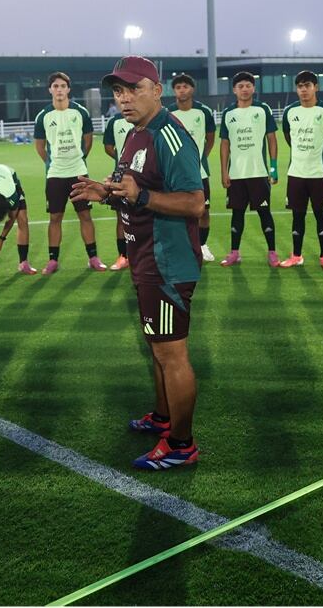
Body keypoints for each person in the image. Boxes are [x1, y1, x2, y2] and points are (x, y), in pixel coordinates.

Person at [70, 56, 204, 470]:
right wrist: (106, 193)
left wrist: (141, 197)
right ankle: (163, 417)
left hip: (167, 264)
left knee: (171, 353)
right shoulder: (133, 134)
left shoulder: (170, 136)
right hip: (144, 256)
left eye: (134, 89)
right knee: (156, 346)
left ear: (157, 90)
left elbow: (194, 203)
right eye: (118, 91)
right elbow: (131, 190)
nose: (124, 99)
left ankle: (181, 444)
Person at [33, 72, 105, 274]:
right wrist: (52, 163)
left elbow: (88, 139)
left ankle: (93, 258)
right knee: (55, 217)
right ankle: (53, 260)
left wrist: (79, 159)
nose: (59, 90)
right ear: (50, 89)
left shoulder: (80, 112)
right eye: (55, 86)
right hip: (55, 175)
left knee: (85, 215)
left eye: (63, 86)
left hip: (78, 172)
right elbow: (39, 146)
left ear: (68, 89)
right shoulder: (43, 116)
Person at [279, 71, 323, 269]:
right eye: (300, 86)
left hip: (318, 173)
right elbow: (288, 137)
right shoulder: (290, 112)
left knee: (321, 215)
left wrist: (320, 153)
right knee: (297, 216)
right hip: (296, 173)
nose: (304, 90)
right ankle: (296, 255)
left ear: (316, 87)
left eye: (307, 85)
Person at [218, 72, 279, 267]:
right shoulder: (229, 113)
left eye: (248, 85)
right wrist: (224, 171)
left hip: (258, 172)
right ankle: (235, 253)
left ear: (253, 88)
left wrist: (273, 167)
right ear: (234, 90)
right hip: (236, 174)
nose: (244, 89)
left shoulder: (262, 109)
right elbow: (225, 144)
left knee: (264, 213)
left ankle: (272, 252)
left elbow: (272, 138)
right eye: (240, 86)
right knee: (237, 214)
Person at [168, 73, 218, 262]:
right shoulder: (168, 113)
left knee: (203, 211)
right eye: (178, 87)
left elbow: (210, 137)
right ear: (174, 91)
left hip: (199, 172)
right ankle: (181, 247)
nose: (182, 90)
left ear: (192, 89)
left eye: (185, 86)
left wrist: (200, 157)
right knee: (176, 212)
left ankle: (202, 246)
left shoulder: (203, 112)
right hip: (175, 174)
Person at [102, 105, 134, 271]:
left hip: (144, 173)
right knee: (122, 218)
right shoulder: (114, 121)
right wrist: (122, 159)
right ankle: (123, 256)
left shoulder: (146, 119)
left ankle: (148, 255)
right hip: (121, 175)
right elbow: (108, 147)